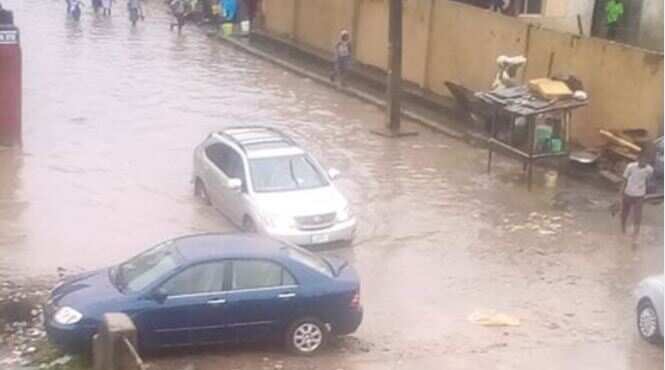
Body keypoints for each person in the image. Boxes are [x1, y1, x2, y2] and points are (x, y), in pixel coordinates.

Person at [620, 154, 654, 240]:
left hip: (639, 195)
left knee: (638, 214)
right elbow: (624, 179)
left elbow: (648, 180)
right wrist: (621, 192)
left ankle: (636, 233)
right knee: (624, 212)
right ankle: (623, 228)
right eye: (642, 160)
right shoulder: (630, 167)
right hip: (628, 193)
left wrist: (644, 189)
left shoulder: (649, 170)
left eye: (646, 161)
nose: (644, 162)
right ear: (638, 159)